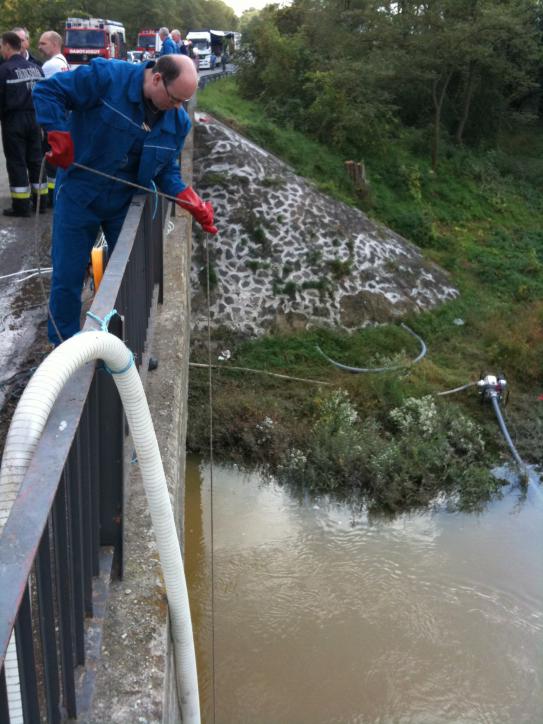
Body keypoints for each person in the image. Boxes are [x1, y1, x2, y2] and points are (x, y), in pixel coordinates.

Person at [32, 54, 217, 345]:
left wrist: (188, 199)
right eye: (174, 99)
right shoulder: (107, 78)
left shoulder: (177, 122)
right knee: (68, 276)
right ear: (157, 78)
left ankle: (121, 351)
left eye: (183, 102)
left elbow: (166, 170)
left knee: (128, 277)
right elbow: (47, 90)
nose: (177, 107)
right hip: (79, 194)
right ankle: (63, 349)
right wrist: (57, 131)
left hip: (123, 203)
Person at [0, 31, 44, 217]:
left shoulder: (5, 70)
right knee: (36, 161)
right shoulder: (36, 69)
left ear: (7, 46)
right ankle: (41, 203)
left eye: (1, 46)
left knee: (16, 162)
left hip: (14, 120)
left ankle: (21, 206)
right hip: (35, 119)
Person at [38, 31, 70, 207]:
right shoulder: (63, 62)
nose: (39, 47)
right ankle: (56, 193)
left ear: (55, 44)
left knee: (50, 159)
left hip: (52, 118)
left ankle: (52, 196)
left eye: (43, 43)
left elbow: (40, 93)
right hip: (62, 117)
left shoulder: (49, 66)